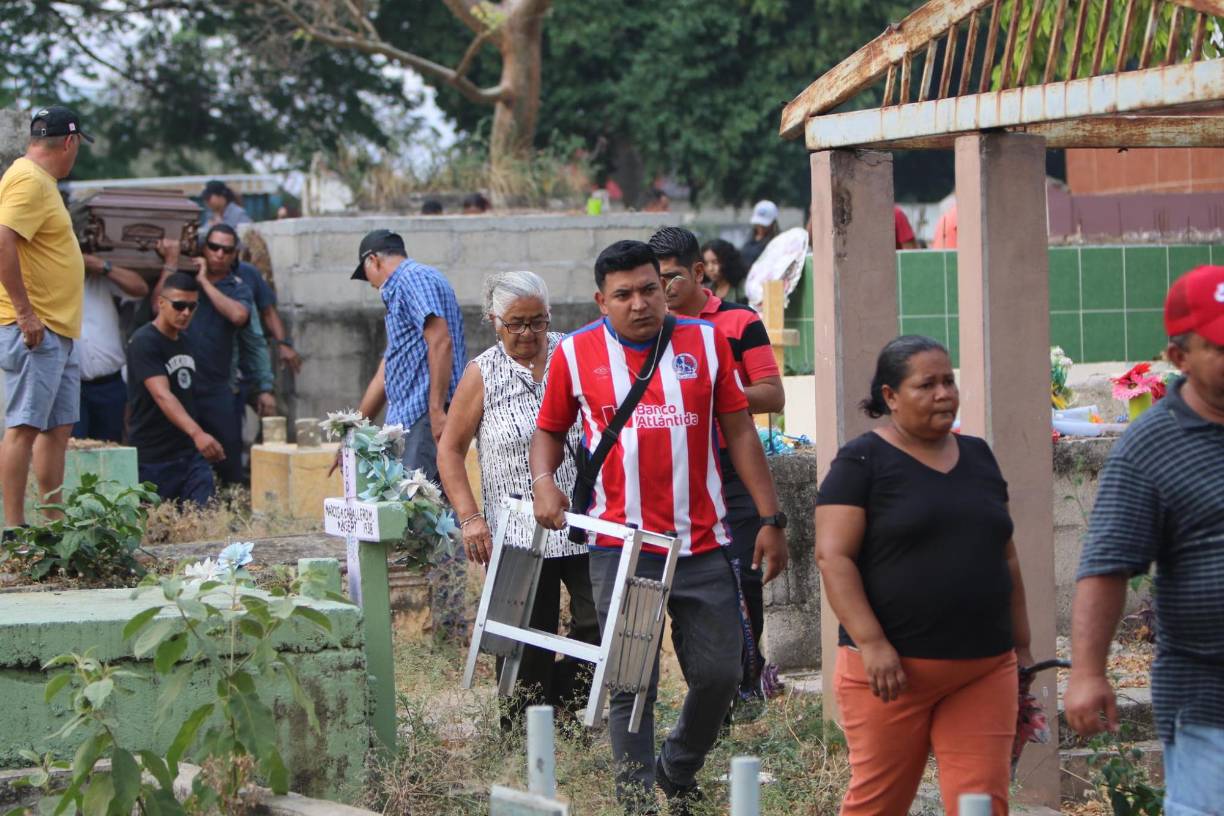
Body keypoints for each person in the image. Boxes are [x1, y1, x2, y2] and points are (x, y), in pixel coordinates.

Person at [530, 240, 789, 815]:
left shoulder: (707, 342)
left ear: (665, 288)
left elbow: (740, 432)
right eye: (623, 294)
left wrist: (771, 518)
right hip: (622, 548)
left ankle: (676, 768)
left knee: (721, 674)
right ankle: (636, 804)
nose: (640, 303)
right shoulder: (575, 353)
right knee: (631, 684)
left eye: (650, 288)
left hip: (703, 544)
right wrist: (544, 482)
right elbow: (548, 430)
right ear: (602, 301)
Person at [815, 334, 1033, 816]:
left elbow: (1006, 556)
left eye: (949, 382)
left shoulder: (979, 456)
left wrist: (1021, 647)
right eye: (927, 384)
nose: (943, 394)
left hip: (984, 669)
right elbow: (833, 557)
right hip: (891, 674)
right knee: (879, 806)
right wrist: (872, 643)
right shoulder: (861, 462)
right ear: (890, 396)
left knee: (982, 805)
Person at [1065, 265, 1224, 816]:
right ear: (1179, 357)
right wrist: (1088, 672)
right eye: (1220, 347)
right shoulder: (1151, 448)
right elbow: (1106, 566)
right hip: (1211, 702)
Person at [437, 270, 598, 726]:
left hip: (583, 520)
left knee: (601, 623)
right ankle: (522, 730)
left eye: (537, 321)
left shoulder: (573, 353)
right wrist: (470, 518)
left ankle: (558, 702)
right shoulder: (483, 373)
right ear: (495, 321)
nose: (528, 333)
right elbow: (450, 450)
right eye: (516, 323)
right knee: (527, 636)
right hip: (519, 531)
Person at [650, 226, 785, 710]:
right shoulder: (647, 329)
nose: (661, 289)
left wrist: (712, 395)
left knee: (745, 576)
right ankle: (705, 695)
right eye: (653, 280)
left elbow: (771, 394)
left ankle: (747, 684)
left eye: (671, 277)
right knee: (682, 587)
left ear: (698, 273)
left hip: (732, 468)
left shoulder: (739, 321)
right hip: (674, 474)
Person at [0, 105, 91, 531]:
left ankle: (53, 525)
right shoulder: (28, 179)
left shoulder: (41, 181)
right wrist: (25, 313)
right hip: (35, 329)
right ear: (70, 142)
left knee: (57, 428)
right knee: (23, 426)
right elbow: (3, 239)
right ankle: (14, 530)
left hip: (58, 328)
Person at [351, 229, 465, 481]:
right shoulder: (403, 289)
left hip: (424, 417)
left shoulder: (411, 278)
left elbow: (441, 341)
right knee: (418, 498)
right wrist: (352, 432)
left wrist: (436, 411)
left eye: (366, 275)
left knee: (418, 499)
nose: (371, 284)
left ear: (373, 260)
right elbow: (386, 372)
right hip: (411, 419)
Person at [154, 226, 253, 486]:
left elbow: (239, 316)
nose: (219, 254)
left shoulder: (237, 287)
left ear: (235, 254)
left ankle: (229, 506)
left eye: (227, 250)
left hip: (216, 390)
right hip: (179, 389)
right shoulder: (183, 282)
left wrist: (205, 282)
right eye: (214, 247)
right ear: (203, 248)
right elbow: (157, 307)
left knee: (228, 462)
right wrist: (174, 263)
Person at [125, 272, 222, 505]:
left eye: (192, 306)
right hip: (154, 455)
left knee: (204, 514)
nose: (186, 312)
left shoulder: (186, 341)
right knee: (158, 524)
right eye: (179, 305)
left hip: (188, 453)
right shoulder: (144, 341)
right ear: (161, 303)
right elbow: (162, 394)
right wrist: (198, 433)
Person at [73, 254, 149, 441]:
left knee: (110, 449)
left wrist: (102, 265)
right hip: (70, 386)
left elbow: (141, 288)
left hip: (110, 385)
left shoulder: (99, 279)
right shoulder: (49, 283)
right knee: (74, 449)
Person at [700, 239, 749, 305]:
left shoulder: (744, 286)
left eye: (715, 262)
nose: (710, 268)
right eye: (706, 264)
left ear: (727, 261)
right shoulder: (706, 290)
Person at [739, 200, 779, 269]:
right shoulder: (749, 241)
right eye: (758, 223)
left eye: (764, 225)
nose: (760, 227)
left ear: (773, 223)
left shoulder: (777, 242)